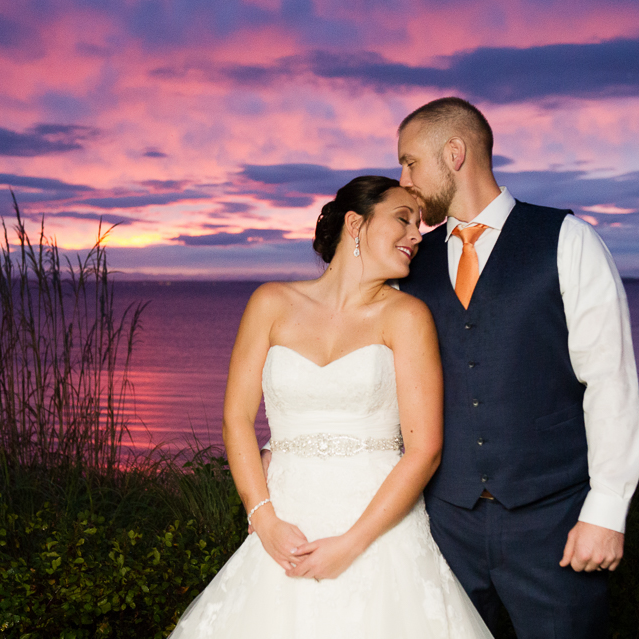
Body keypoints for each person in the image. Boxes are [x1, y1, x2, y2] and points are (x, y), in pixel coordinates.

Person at [168, 176, 493, 639]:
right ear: (355, 224)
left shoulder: (407, 317)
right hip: (284, 525)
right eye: (403, 219)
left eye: (419, 225)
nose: (418, 236)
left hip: (379, 532)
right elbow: (236, 419)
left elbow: (425, 451)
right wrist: (263, 519)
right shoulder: (271, 302)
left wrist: (352, 545)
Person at [396, 97, 639, 638]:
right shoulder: (409, 262)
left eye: (410, 162)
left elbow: (609, 381)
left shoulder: (568, 241)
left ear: (454, 153)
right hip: (443, 526)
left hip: (553, 524)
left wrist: (606, 511)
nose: (404, 179)